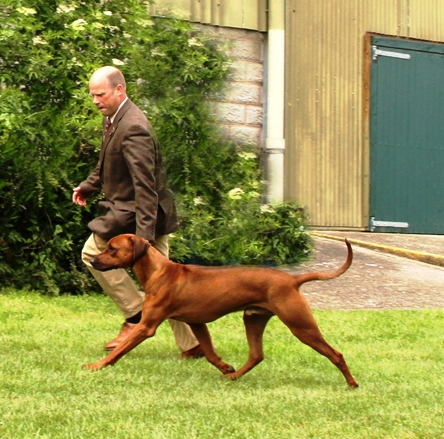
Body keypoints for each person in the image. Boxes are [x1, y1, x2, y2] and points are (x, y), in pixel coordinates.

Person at [73, 66, 203, 358]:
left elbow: (146, 187)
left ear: (119, 90)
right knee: (166, 287)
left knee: (93, 253)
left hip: (141, 216)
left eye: (100, 94)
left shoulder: (133, 127)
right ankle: (193, 344)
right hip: (129, 213)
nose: (95, 101)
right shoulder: (114, 118)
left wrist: (144, 240)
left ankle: (135, 314)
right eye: (92, 95)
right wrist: (87, 186)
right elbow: (107, 162)